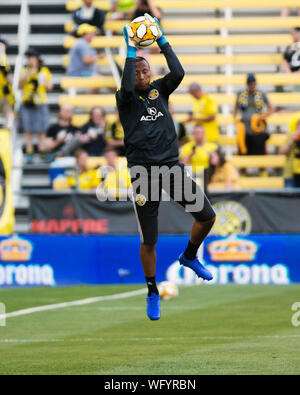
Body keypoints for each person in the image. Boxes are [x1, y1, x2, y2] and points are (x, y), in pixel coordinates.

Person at [116, 18, 216, 320]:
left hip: (171, 168)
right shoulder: (126, 98)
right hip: (143, 174)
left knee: (207, 217)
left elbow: (180, 72)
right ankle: (151, 290)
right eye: (136, 71)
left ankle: (189, 256)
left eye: (145, 70)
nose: (142, 74)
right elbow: (125, 82)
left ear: (151, 72)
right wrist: (131, 49)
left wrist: (161, 40)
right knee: (150, 239)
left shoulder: (161, 90)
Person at [18, 48, 53, 164]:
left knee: (41, 129)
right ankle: (29, 152)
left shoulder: (43, 70)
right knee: (28, 130)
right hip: (27, 101)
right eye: (28, 58)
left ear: (37, 58)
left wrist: (42, 79)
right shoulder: (25, 70)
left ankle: (42, 150)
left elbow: (50, 87)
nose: (30, 60)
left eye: (31, 57)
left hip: (40, 102)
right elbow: (20, 86)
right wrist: (27, 75)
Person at [233, 73, 275, 156]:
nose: (252, 85)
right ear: (247, 84)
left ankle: (262, 169)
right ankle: (243, 168)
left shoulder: (261, 93)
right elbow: (235, 109)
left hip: (258, 128)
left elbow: (271, 109)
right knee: (243, 153)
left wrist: (261, 117)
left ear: (256, 83)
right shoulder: (241, 94)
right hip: (245, 128)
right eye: (250, 84)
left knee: (260, 153)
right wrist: (235, 121)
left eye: (253, 83)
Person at [280, 116, 300, 188]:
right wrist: (291, 141)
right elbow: (282, 152)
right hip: (290, 173)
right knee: (290, 197)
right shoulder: (291, 136)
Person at [0, 37, 14, 129]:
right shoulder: (3, 58)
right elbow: (8, 76)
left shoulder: (3, 59)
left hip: (3, 93)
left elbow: (7, 75)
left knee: (8, 117)